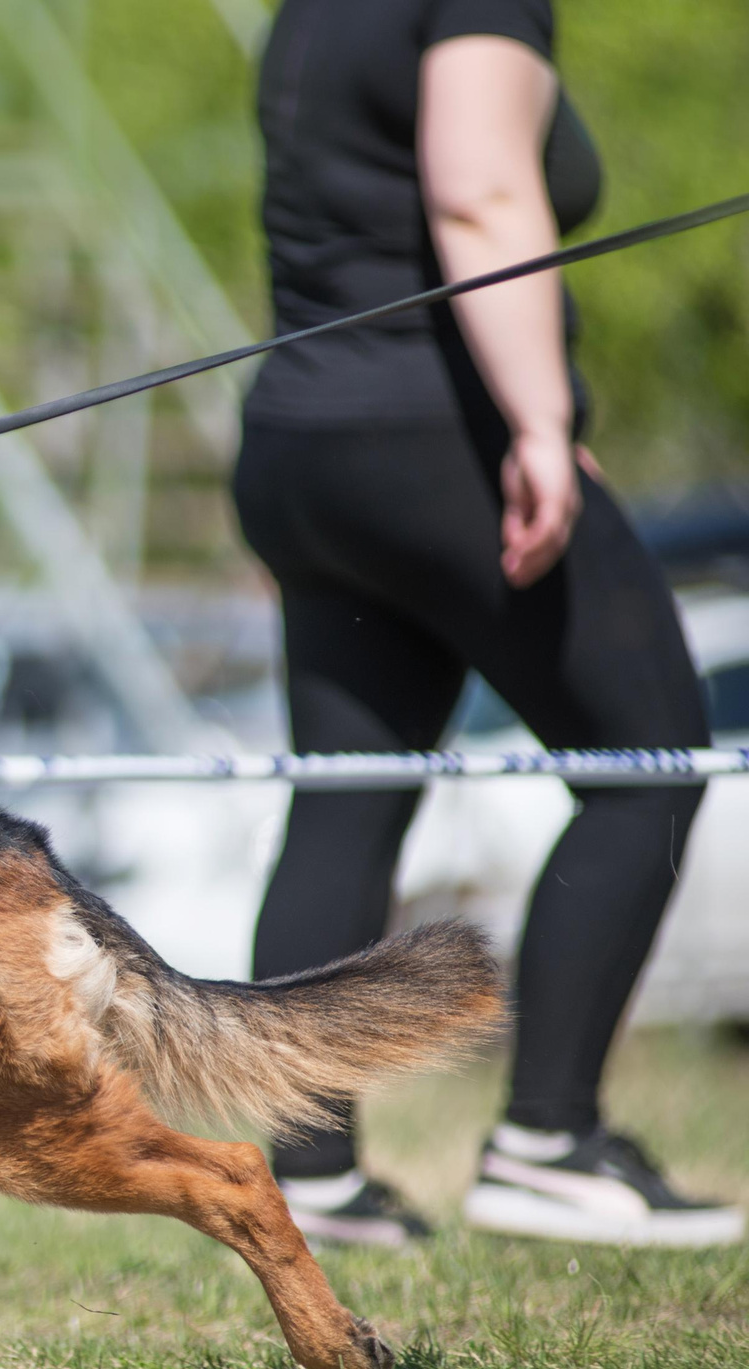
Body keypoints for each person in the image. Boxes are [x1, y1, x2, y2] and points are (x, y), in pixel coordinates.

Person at [235, 0, 741, 1248]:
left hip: (304, 439)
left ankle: (307, 1174)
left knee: (346, 791)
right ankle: (548, 1141)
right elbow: (477, 196)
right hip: (431, 436)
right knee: (651, 758)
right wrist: (540, 419)